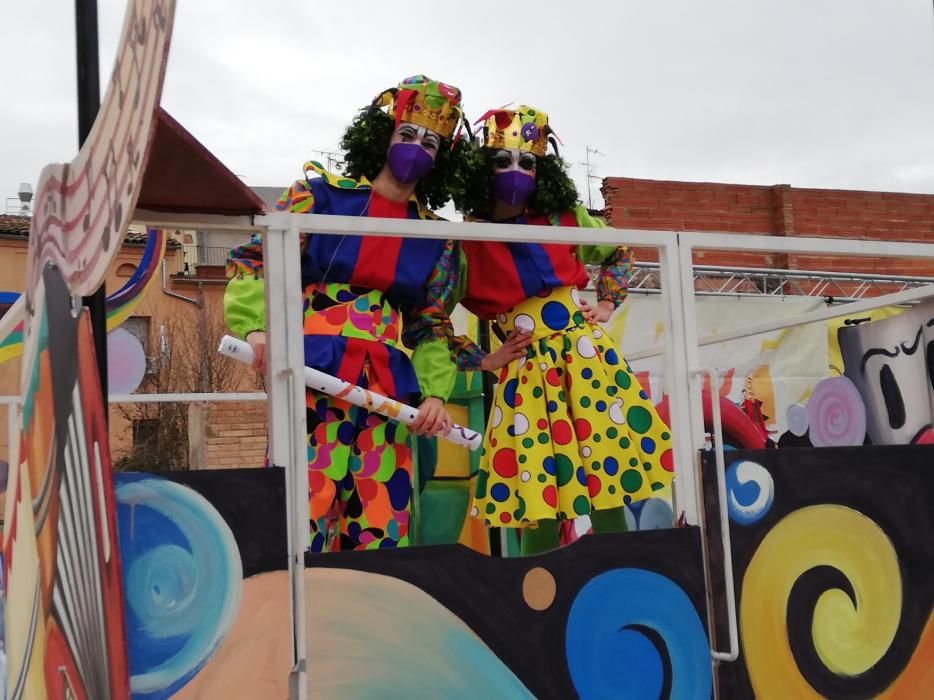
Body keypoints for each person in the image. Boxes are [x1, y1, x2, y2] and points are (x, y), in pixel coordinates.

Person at [406, 105, 674, 555]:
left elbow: (617, 249)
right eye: (502, 161)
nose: (516, 171)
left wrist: (607, 302)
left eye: (527, 162)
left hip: (586, 362)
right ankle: (542, 599)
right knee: (539, 492)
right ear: (482, 169)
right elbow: (429, 313)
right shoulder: (466, 242)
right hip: (527, 371)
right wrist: (482, 359)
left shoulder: (563, 219)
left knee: (606, 478)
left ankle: (625, 574)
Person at [225, 75, 477, 552]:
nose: (416, 148)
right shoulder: (321, 198)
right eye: (406, 134)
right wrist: (255, 328)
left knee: (381, 520)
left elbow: (430, 322)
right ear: (382, 136)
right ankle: (291, 619)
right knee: (300, 513)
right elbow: (256, 260)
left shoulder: (434, 236)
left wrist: (436, 395)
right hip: (311, 371)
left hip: (385, 390)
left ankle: (369, 618)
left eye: (431, 142)